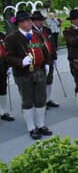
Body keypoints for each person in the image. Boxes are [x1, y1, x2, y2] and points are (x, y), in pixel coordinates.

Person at [5, 10, 52, 139]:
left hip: (39, 71)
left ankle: (41, 125)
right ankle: (32, 128)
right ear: (19, 24)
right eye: (25, 21)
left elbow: (45, 49)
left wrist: (47, 62)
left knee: (40, 99)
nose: (29, 22)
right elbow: (8, 57)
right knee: (27, 101)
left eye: (29, 20)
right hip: (23, 74)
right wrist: (21, 61)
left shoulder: (37, 34)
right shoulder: (11, 38)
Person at [31, 11, 59, 109]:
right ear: (33, 22)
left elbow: (52, 44)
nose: (40, 22)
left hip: (49, 58)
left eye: (41, 20)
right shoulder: (31, 31)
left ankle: (48, 99)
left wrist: (55, 57)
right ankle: (41, 101)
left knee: (49, 79)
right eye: (38, 20)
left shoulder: (47, 30)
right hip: (39, 60)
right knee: (40, 81)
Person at [0, 31, 14, 122]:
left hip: (2, 66)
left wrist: (9, 65)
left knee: (2, 90)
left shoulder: (2, 35)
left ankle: (3, 112)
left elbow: (7, 51)